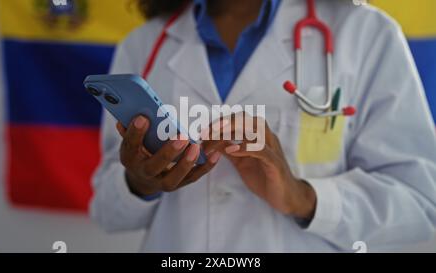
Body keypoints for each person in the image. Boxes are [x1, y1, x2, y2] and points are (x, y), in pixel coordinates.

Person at [90, 0, 436, 252]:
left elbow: (420, 199)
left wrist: (304, 198)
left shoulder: (366, 34)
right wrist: (138, 183)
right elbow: (106, 211)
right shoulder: (144, 44)